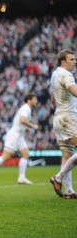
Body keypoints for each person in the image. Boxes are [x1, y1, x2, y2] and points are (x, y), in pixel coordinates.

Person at [0, 93, 39, 185]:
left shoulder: (26, 108)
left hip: (19, 135)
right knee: (6, 156)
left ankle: (21, 177)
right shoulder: (26, 108)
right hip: (14, 135)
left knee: (25, 155)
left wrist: (27, 129)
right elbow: (22, 120)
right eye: (34, 99)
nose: (36, 101)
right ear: (29, 100)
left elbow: (21, 122)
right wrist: (33, 126)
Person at [49, 49, 77, 199]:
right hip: (68, 118)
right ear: (63, 62)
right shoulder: (66, 74)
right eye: (72, 59)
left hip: (59, 117)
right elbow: (74, 91)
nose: (75, 62)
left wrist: (60, 110)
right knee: (69, 154)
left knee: (67, 154)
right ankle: (58, 178)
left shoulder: (54, 75)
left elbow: (52, 97)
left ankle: (69, 191)